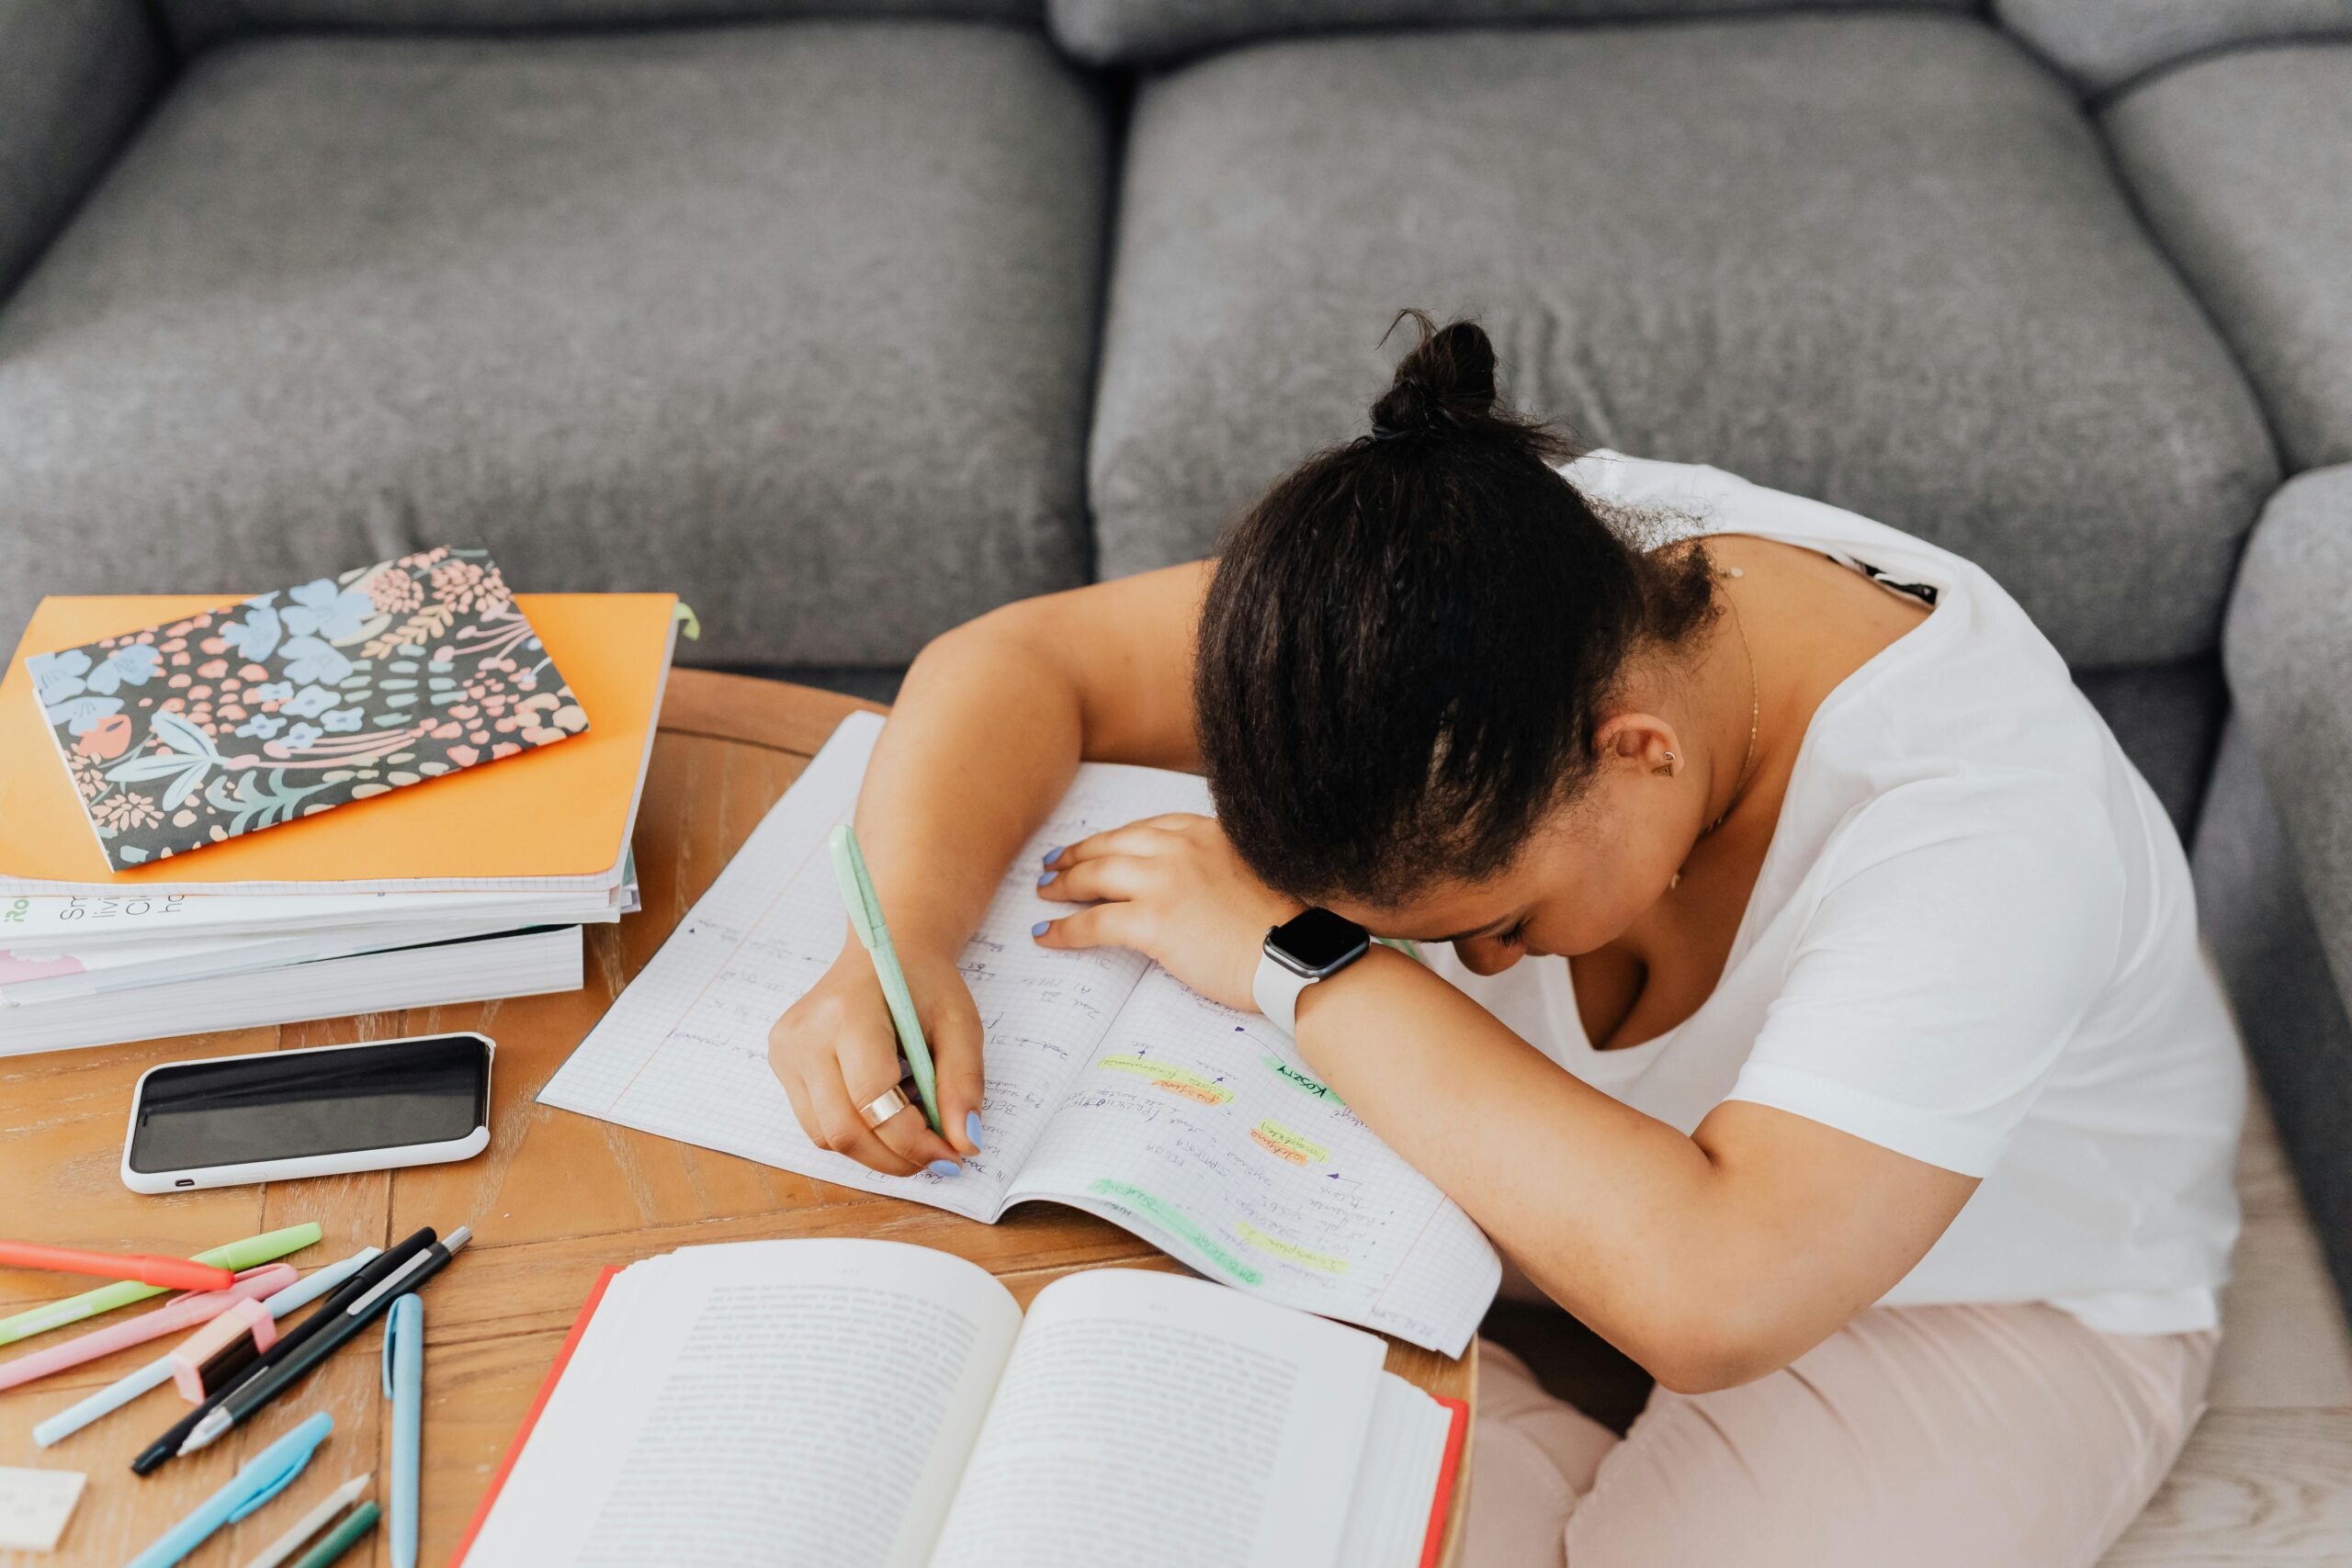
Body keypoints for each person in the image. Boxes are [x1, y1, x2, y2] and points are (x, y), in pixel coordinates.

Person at [767, 313, 2244, 1565]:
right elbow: (1025, 658)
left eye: (1500, 925)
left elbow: (1721, 1295)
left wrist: (1305, 962)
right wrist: (891, 945)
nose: (1483, 966)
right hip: (1538, 1187)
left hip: (1970, 1293)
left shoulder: (1984, 829)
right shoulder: (1498, 582)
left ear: (1636, 749)